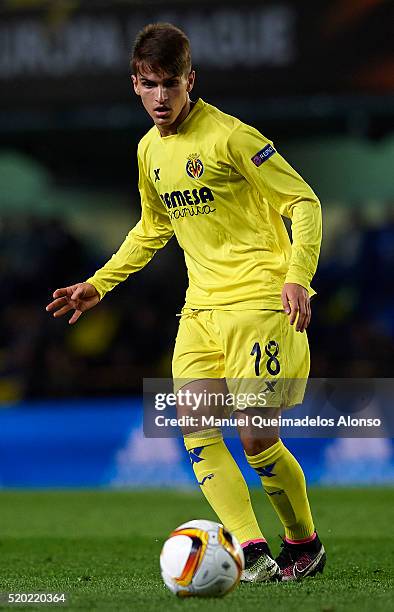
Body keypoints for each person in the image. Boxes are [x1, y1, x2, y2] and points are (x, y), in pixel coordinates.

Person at [46, 23, 325, 582]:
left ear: (189, 80)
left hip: (259, 301)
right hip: (199, 310)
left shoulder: (233, 138)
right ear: (134, 84)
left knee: (255, 438)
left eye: (169, 84)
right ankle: (253, 553)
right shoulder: (148, 150)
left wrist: (298, 275)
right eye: (148, 85)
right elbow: (152, 228)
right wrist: (98, 284)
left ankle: (303, 543)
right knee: (197, 430)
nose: (160, 97)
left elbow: (304, 202)